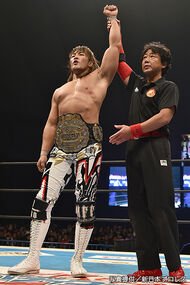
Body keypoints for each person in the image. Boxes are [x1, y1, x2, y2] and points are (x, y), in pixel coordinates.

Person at [8, 5, 121, 277]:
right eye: (72, 55)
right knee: (42, 200)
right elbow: (51, 122)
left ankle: (77, 260)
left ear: (91, 61)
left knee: (85, 204)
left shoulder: (101, 77)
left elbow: (115, 46)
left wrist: (112, 19)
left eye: (80, 54)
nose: (75, 57)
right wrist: (43, 152)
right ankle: (32, 258)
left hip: (89, 147)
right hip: (60, 150)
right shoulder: (60, 91)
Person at [107, 16, 185, 282]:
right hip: (134, 149)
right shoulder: (138, 84)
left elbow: (165, 117)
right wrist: (114, 22)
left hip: (155, 147)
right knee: (137, 209)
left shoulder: (167, 86)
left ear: (164, 63)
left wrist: (133, 130)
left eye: (153, 56)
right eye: (145, 55)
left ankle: (175, 267)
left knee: (160, 208)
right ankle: (149, 267)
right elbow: (117, 58)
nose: (147, 58)